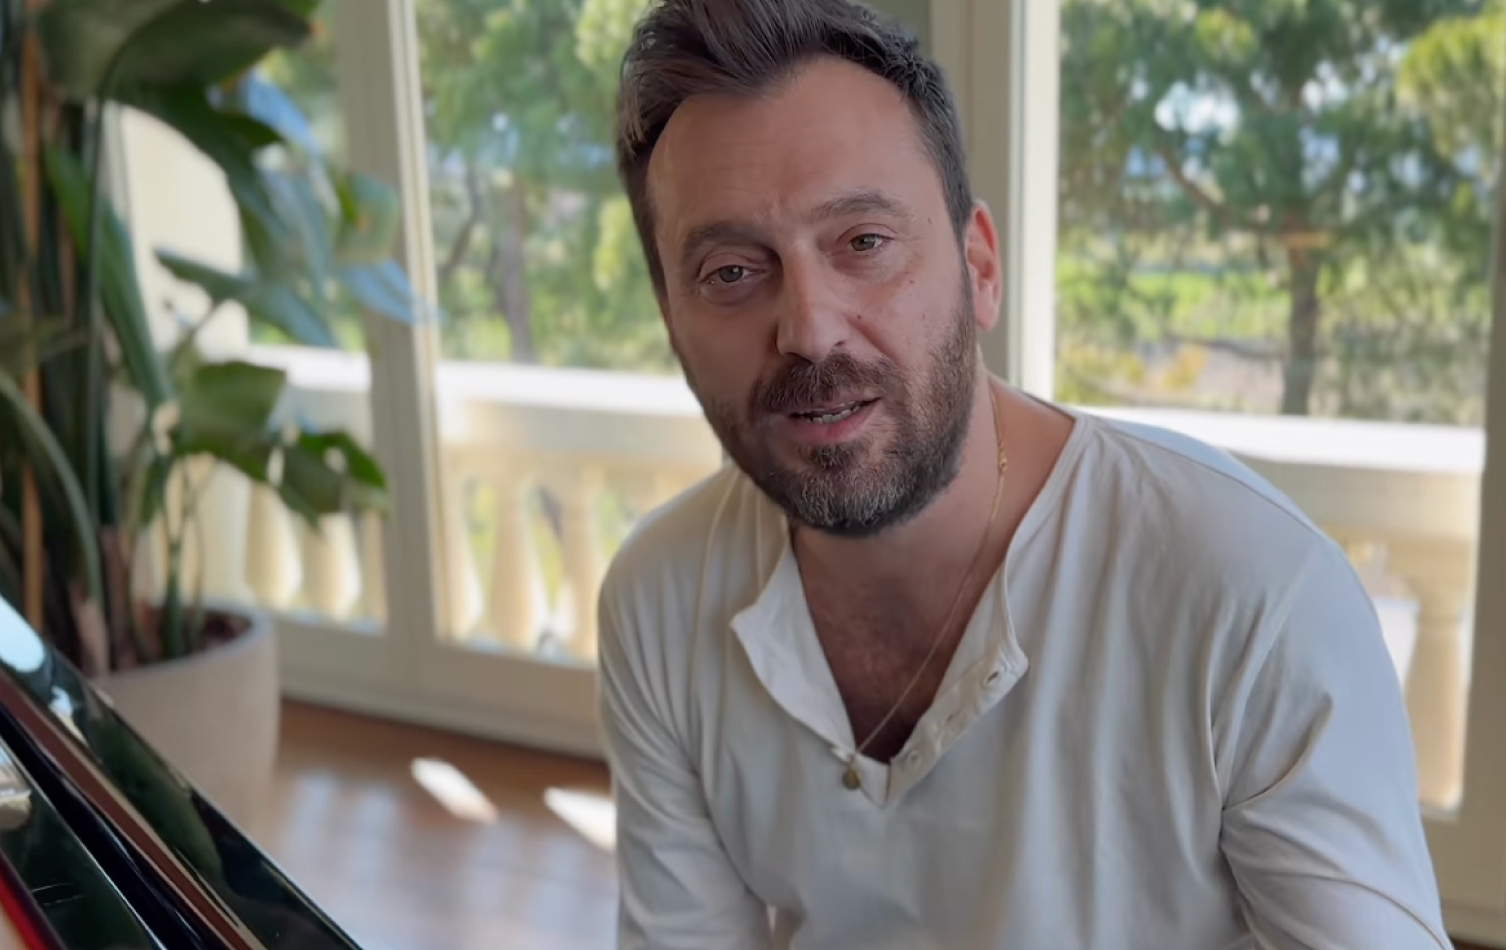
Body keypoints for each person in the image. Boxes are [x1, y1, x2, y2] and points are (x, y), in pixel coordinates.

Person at [596, 0, 1452, 947]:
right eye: (729, 271)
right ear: (673, 324)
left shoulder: (1252, 595)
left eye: (864, 243)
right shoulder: (659, 597)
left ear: (981, 266)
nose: (810, 327)